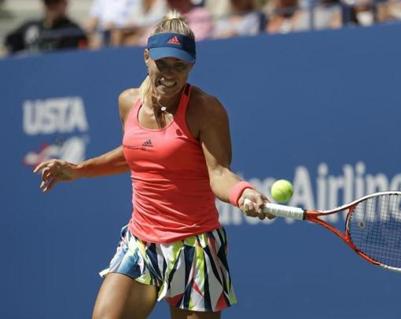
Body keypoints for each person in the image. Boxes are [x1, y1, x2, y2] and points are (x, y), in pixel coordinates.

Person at [34, 10, 271, 319]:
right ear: (146, 57)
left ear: (191, 67)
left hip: (195, 247)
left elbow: (219, 172)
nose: (170, 74)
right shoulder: (128, 102)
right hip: (141, 242)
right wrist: (79, 170)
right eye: (162, 63)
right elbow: (138, 153)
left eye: (180, 65)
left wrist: (243, 193)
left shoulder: (206, 110)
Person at [4, 0, 87, 54]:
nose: (51, 8)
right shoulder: (30, 26)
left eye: (55, 3)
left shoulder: (73, 30)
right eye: (48, 3)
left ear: (65, 4)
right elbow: (9, 47)